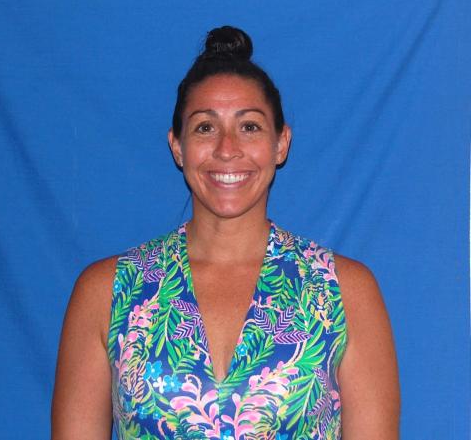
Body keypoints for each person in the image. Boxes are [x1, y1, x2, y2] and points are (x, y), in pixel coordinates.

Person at [52, 26, 400, 440]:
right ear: (177, 146)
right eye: (204, 127)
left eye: (250, 126)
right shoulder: (106, 292)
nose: (226, 148)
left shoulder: (343, 291)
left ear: (281, 143)